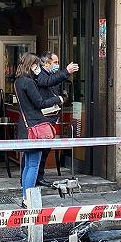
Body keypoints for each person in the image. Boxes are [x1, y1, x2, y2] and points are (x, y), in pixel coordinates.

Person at [15, 52, 63, 206]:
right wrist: (58, 99)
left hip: (25, 127)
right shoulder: (29, 83)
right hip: (35, 127)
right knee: (33, 165)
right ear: (31, 65)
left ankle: (25, 196)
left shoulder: (18, 81)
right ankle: (28, 199)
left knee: (28, 164)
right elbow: (40, 103)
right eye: (36, 65)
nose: (38, 68)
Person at [33, 51, 79, 187]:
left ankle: (38, 176)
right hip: (43, 117)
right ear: (47, 63)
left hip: (51, 116)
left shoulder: (51, 75)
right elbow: (47, 82)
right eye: (55, 62)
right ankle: (35, 177)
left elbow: (54, 85)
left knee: (45, 149)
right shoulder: (40, 74)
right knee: (38, 150)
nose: (57, 65)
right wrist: (66, 71)